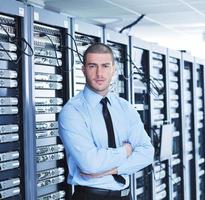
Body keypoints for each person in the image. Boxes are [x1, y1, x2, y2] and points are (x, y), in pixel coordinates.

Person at [59, 43, 154, 200]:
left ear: (113, 70)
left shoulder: (125, 108)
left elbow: (147, 152)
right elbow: (90, 164)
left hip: (125, 195)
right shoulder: (72, 112)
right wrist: (125, 151)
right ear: (83, 70)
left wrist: (110, 170)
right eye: (92, 66)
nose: (99, 73)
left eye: (105, 66)